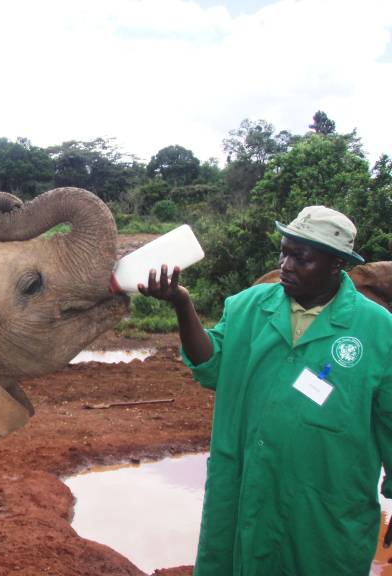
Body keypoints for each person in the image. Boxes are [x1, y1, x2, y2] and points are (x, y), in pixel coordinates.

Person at [138, 206, 392, 576]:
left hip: (326, 504)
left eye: (301, 258)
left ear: (336, 264)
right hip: (246, 491)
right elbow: (211, 365)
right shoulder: (247, 308)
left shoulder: (378, 330)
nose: (286, 265)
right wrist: (182, 305)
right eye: (284, 252)